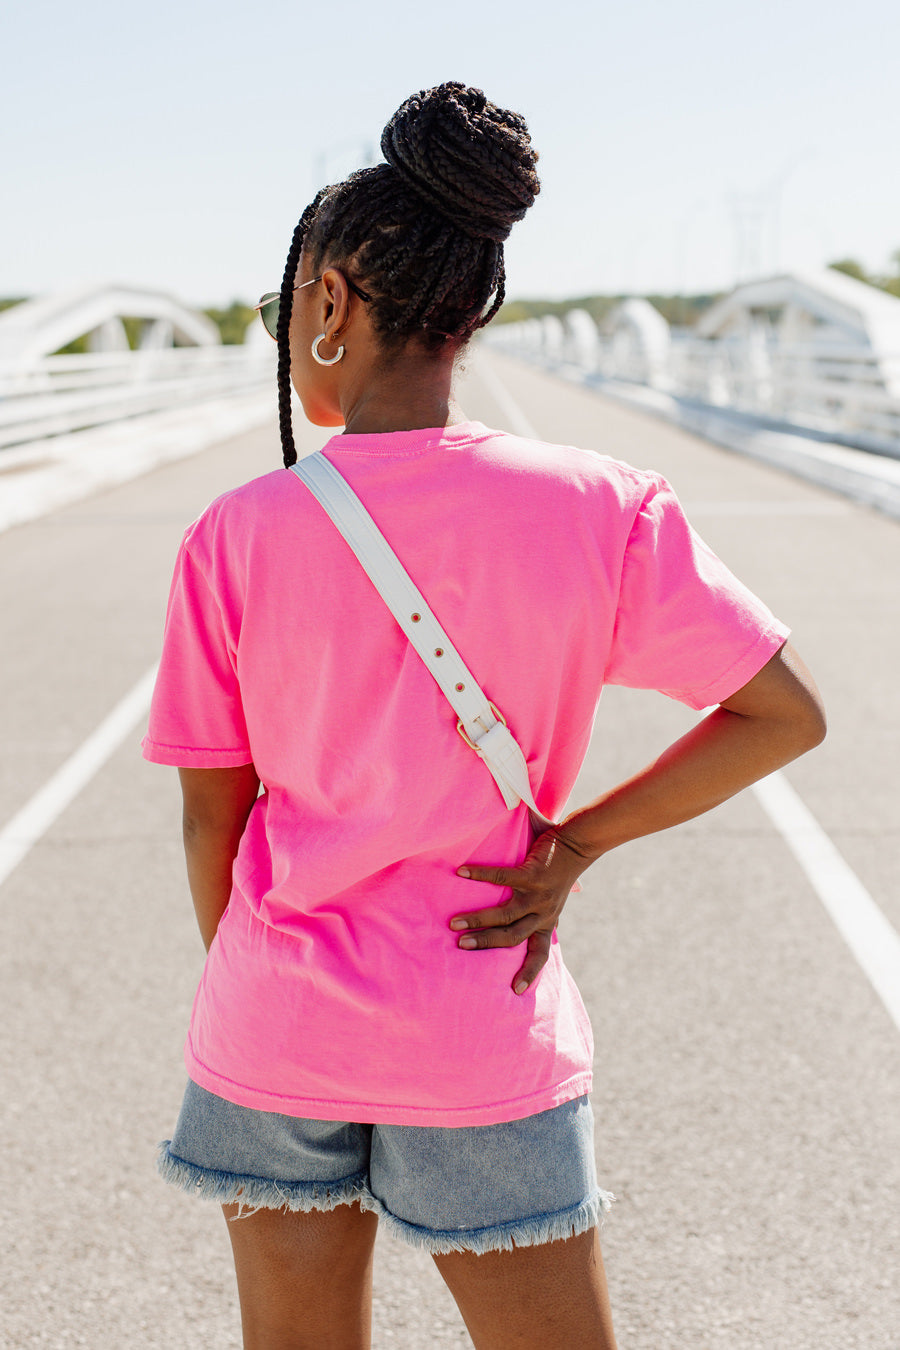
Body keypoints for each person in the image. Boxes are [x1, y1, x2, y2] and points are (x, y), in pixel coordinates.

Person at [143, 82, 826, 1350]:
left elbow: (209, 822)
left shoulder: (235, 533)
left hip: (275, 1024)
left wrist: (269, 987)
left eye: (280, 311)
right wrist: (572, 848)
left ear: (334, 303)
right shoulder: (602, 504)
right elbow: (781, 715)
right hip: (476, 1024)